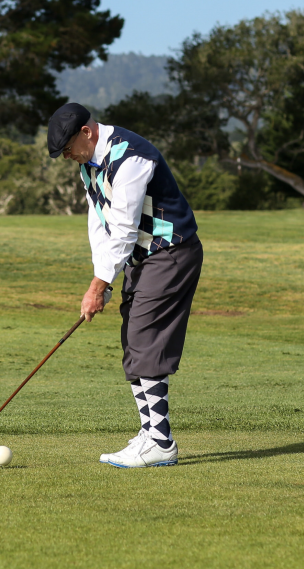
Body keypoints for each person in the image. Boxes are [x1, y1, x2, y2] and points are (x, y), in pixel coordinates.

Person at [47, 102, 204, 468]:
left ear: (87, 132)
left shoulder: (131, 157)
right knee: (133, 342)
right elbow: (99, 220)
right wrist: (101, 276)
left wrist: (98, 286)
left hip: (170, 252)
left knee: (146, 339)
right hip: (142, 259)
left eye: (68, 148)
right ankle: (151, 433)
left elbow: (124, 227)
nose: (68, 156)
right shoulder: (89, 163)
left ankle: (161, 442)